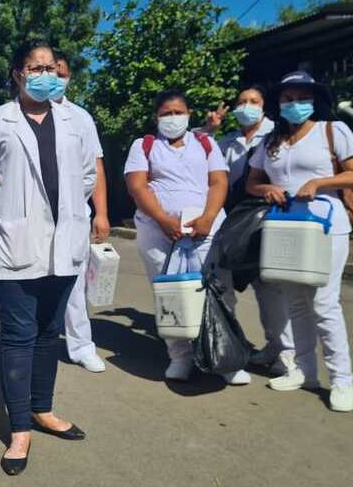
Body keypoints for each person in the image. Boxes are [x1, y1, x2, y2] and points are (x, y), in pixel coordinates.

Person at [0, 40, 96, 476]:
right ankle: (20, 428)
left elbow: (89, 176)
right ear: (18, 74)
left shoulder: (77, 120)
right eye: (35, 67)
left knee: (49, 333)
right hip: (14, 245)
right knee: (19, 337)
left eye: (51, 68)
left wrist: (72, 215)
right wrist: (8, 214)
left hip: (64, 245)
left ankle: (43, 409)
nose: (46, 74)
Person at [246, 71, 353, 412]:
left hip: (324, 226)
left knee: (325, 304)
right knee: (295, 301)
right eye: (287, 98)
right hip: (285, 226)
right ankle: (304, 370)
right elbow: (252, 182)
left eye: (301, 97)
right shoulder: (271, 140)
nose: (294, 104)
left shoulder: (332, 131)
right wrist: (266, 188)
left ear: (314, 100)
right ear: (278, 103)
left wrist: (320, 183)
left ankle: (342, 380)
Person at [124, 89, 251, 386]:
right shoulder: (144, 145)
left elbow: (218, 181)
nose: (172, 118)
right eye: (166, 113)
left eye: (178, 112)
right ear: (156, 117)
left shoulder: (205, 143)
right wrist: (164, 220)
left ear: (189, 113)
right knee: (170, 294)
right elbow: (138, 186)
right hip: (158, 232)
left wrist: (207, 217)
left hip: (205, 229)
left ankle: (226, 356)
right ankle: (180, 356)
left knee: (219, 291)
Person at [208, 86, 294, 377]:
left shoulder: (277, 135)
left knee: (270, 288)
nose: (247, 106)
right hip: (234, 221)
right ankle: (231, 347)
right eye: (242, 102)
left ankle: (283, 353)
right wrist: (209, 130)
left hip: (267, 218)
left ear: (264, 105)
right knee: (225, 286)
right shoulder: (227, 141)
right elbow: (201, 158)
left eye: (253, 101)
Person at [52, 51, 109, 373]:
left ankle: (81, 345)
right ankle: (32, 343)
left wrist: (101, 212)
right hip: (34, 216)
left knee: (74, 282)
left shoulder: (81, 118)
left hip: (74, 213)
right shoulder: (21, 115)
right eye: (47, 72)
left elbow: (96, 166)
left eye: (61, 73)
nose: (54, 78)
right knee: (35, 280)